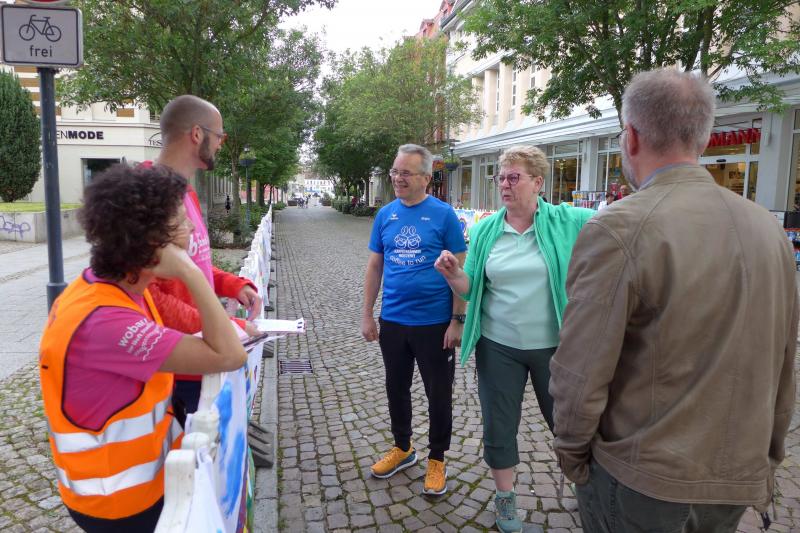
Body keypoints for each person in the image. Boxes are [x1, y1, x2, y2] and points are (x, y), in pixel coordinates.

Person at [549, 68, 798, 532]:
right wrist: (768, 456)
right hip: (734, 475)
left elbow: (580, 369)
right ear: (703, 138)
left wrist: (573, 454)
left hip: (643, 478)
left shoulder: (618, 227)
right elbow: (784, 361)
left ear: (631, 137)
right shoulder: (769, 229)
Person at [39, 164, 248, 532]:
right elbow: (230, 355)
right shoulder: (105, 321)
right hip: (120, 502)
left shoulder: (116, 289)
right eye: (181, 223)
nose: (191, 230)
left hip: (144, 483)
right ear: (153, 243)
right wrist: (191, 273)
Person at [434, 145, 594, 533]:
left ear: (538, 183)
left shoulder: (568, 220)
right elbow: (471, 286)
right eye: (500, 177)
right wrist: (453, 275)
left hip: (555, 346)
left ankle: (585, 488)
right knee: (499, 425)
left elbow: (620, 225)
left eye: (513, 177)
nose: (504, 184)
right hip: (498, 345)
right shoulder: (487, 229)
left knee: (568, 424)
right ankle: (505, 498)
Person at [361, 144, 467, 496]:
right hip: (393, 320)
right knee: (396, 387)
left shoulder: (444, 216)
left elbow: (460, 271)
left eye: (405, 173)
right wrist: (367, 314)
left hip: (434, 323)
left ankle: (437, 458)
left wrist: (457, 320)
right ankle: (403, 448)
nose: (397, 178)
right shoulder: (385, 215)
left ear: (426, 178)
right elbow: (375, 266)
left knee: (438, 393)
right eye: (395, 171)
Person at [145, 95, 262, 415]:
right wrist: (225, 325)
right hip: (179, 363)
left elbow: (196, 264)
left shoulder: (187, 192)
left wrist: (233, 285)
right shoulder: (148, 194)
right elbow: (149, 296)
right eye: (220, 135)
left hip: (203, 351)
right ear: (197, 134)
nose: (222, 143)